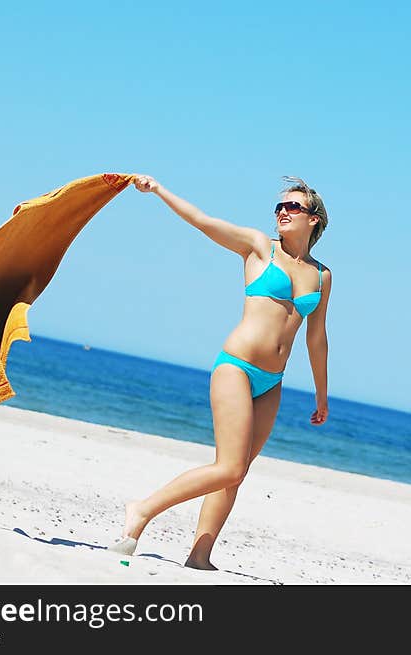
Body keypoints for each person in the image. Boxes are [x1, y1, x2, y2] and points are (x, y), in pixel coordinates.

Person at [108, 174, 332, 570]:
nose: (283, 212)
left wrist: (321, 395)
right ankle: (141, 509)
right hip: (237, 367)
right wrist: (158, 190)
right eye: (279, 206)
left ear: (313, 219)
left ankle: (200, 556)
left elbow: (317, 339)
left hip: (273, 382)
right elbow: (202, 220)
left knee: (236, 474)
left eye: (293, 207)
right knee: (229, 465)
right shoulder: (259, 248)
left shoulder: (321, 275)